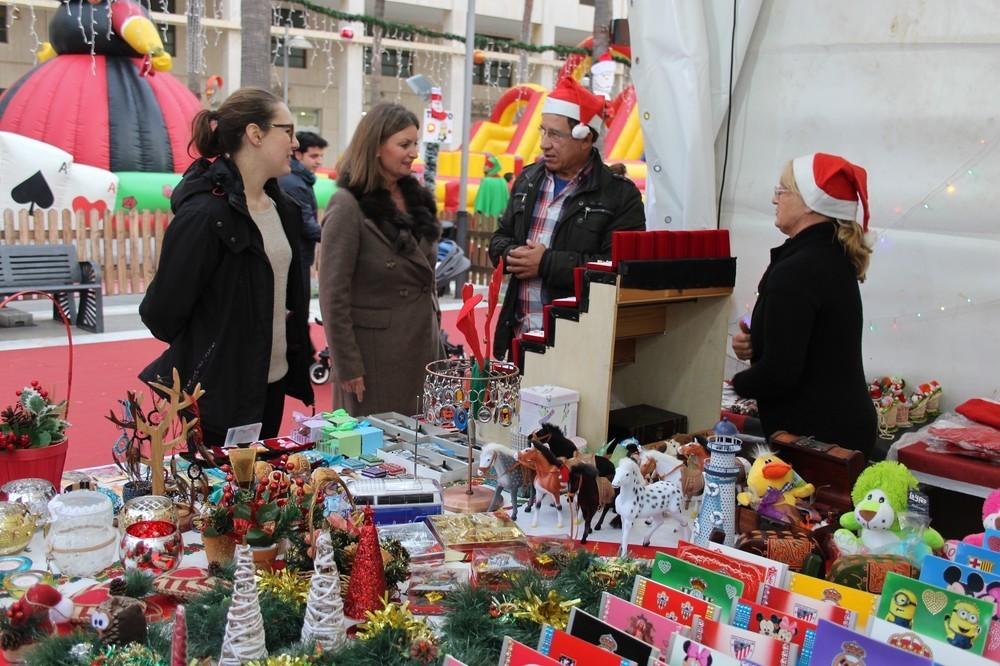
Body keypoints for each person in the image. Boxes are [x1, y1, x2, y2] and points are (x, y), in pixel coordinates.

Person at [138, 87, 314, 444]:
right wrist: (218, 343)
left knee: (261, 489)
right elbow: (161, 313)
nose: (295, 143)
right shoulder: (205, 216)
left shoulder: (285, 209)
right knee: (219, 493)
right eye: (288, 131)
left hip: (272, 383)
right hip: (219, 393)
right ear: (255, 134)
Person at [731, 152, 877, 457]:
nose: (775, 200)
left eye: (782, 191)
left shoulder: (800, 268)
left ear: (810, 203)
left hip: (817, 435)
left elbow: (781, 372)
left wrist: (735, 384)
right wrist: (758, 343)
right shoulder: (828, 255)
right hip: (837, 426)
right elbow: (814, 341)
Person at [489, 76, 645, 359]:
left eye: (555, 135)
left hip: (578, 345)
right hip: (518, 337)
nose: (544, 144)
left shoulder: (620, 196)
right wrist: (512, 254)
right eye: (542, 132)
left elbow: (622, 272)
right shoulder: (527, 180)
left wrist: (547, 263)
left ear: (586, 138)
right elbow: (499, 239)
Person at [319, 103, 441, 416]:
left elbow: (426, 277)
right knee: (375, 455)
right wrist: (347, 365)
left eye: (416, 143)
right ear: (375, 147)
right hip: (374, 359)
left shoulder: (417, 201)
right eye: (404, 144)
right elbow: (334, 294)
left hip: (422, 347)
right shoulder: (348, 205)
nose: (414, 152)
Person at [278, 130, 328, 297]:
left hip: (297, 253)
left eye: (321, 156)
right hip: (296, 256)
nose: (319, 161)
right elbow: (305, 223)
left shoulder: (299, 179)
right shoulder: (294, 182)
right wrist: (334, 236)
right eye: (314, 156)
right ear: (298, 154)